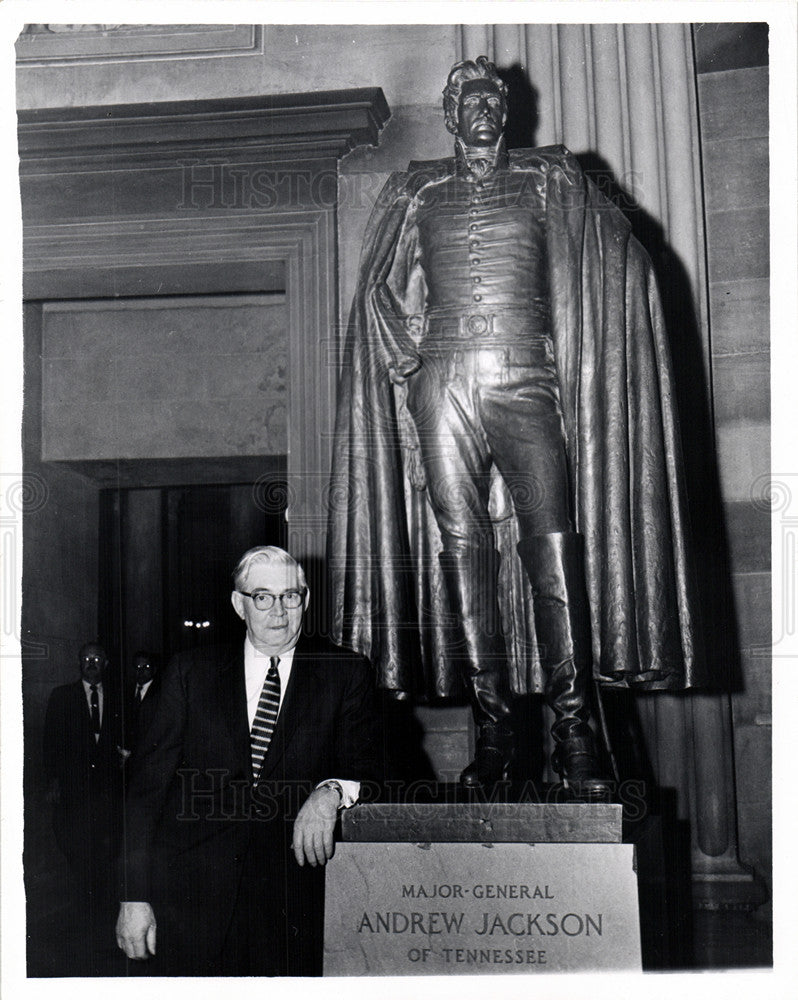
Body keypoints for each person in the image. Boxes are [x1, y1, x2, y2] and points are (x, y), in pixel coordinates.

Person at [328, 56, 706, 792]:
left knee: (551, 543)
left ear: (507, 114)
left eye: (492, 98)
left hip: (526, 372)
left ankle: (574, 731)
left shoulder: (551, 178)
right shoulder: (416, 188)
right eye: (468, 98)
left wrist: (629, 274)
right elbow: (378, 284)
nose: (481, 108)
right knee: (461, 548)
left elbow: (611, 256)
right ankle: (494, 731)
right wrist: (404, 358)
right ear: (449, 113)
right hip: (443, 377)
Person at [115, 546, 379, 976]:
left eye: (290, 596)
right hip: (192, 901)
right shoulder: (189, 673)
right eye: (262, 596)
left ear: (306, 600)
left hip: (294, 906)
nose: (278, 611)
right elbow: (146, 791)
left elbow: (370, 768)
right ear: (240, 604)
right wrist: (133, 895)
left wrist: (330, 792)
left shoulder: (344, 672)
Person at [43, 642, 126, 962]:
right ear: (79, 663)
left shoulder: (118, 698)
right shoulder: (62, 697)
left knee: (106, 860)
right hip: (75, 796)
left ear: (105, 663)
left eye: (96, 659)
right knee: (80, 858)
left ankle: (104, 928)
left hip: (107, 796)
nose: (91, 664)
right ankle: (81, 927)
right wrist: (52, 781)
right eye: (86, 659)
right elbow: (50, 741)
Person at [125, 649, 161, 750]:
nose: (141, 671)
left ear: (154, 669)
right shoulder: (125, 693)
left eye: (146, 667)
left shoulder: (161, 693)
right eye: (138, 667)